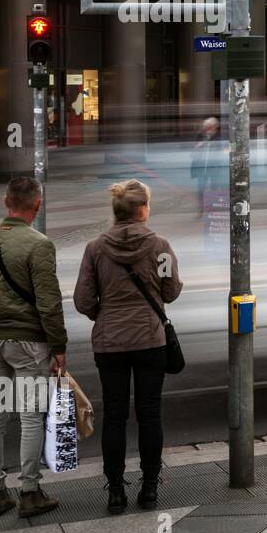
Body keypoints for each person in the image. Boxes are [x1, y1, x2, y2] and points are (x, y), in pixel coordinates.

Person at [74, 180, 183, 514]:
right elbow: (170, 291)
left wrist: (103, 315)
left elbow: (82, 300)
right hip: (150, 341)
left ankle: (116, 491)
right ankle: (149, 488)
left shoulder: (95, 249)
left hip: (110, 343)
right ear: (142, 210)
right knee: (149, 414)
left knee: (115, 416)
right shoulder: (160, 246)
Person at [0, 177, 68, 519]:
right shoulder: (39, 245)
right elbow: (49, 303)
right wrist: (58, 346)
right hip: (28, 343)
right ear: (36, 205)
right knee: (30, 417)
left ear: (4, 201)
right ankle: (29, 491)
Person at [190, 116, 224, 217]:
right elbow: (193, 152)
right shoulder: (200, 136)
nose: (211, 129)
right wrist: (198, 147)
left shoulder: (218, 137)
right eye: (209, 127)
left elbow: (222, 151)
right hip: (202, 168)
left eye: (213, 127)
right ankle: (201, 210)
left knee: (214, 188)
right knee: (201, 189)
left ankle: (214, 209)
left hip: (213, 168)